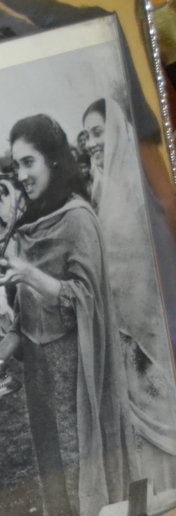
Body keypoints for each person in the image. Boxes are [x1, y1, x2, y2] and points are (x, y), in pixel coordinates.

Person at [0, 113, 129, 516]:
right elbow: (24, 312)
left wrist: (30, 275)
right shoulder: (29, 222)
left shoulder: (78, 217)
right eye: (16, 165)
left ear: (52, 159)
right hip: (39, 365)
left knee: (76, 452)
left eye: (28, 162)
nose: (21, 175)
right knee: (51, 451)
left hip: (74, 361)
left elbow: (87, 298)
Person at [82, 98, 176, 494]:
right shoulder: (101, 191)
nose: (91, 143)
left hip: (149, 335)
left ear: (118, 132)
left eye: (97, 132)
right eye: (86, 136)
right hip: (122, 341)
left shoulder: (139, 189)